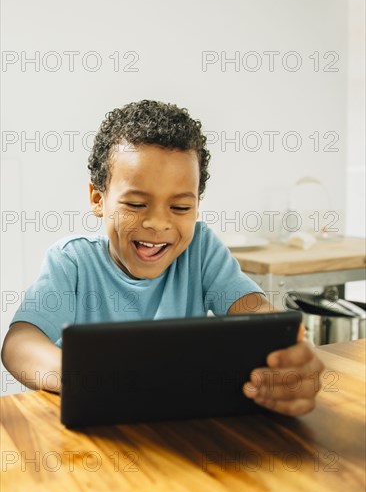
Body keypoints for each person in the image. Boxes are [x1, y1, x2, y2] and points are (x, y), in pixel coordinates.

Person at [1, 100, 323, 415]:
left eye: (181, 207)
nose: (158, 223)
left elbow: (262, 322)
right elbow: (19, 344)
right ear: (98, 199)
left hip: (174, 429)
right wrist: (81, 376)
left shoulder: (201, 250)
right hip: (93, 434)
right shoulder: (71, 262)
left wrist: (289, 358)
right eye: (136, 204)